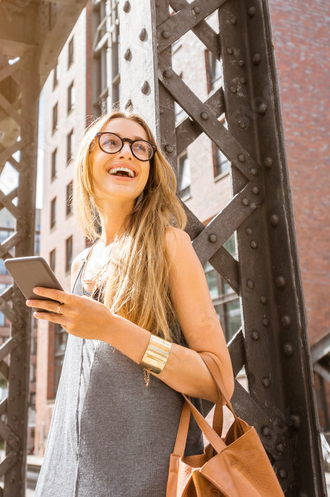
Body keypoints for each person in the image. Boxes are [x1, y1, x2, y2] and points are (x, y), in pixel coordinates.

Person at [31, 110, 234, 496]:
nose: (127, 153)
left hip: (143, 483)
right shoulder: (82, 263)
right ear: (87, 160)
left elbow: (218, 381)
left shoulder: (170, 244)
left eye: (140, 148)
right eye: (111, 142)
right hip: (64, 479)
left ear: (150, 169)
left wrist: (111, 328)